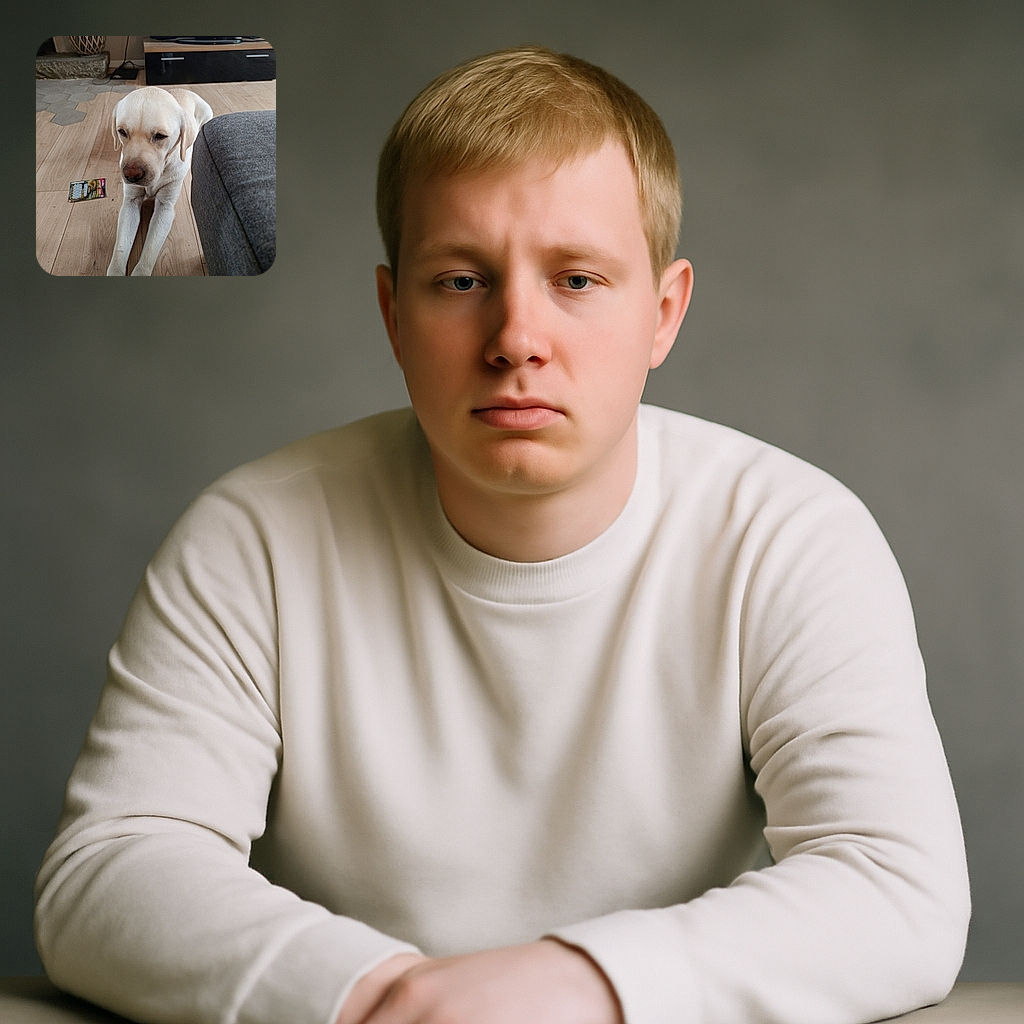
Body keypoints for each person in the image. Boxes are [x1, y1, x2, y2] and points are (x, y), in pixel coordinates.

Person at [35, 46, 970, 1024]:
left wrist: (576, 983)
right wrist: (391, 999)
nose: (517, 335)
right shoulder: (250, 539)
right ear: (393, 316)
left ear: (663, 313)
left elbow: (895, 885)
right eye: (460, 280)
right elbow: (107, 874)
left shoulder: (792, 537)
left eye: (575, 278)